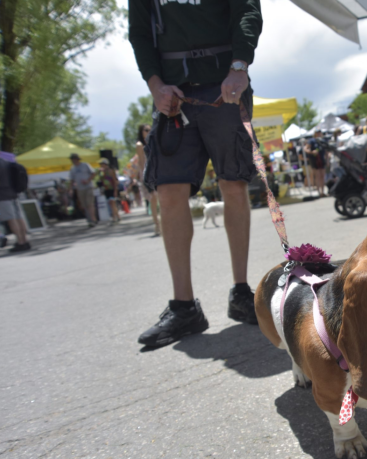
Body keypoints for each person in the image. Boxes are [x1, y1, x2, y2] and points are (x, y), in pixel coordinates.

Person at [129, 0, 263, 347]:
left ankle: (241, 292)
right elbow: (140, 33)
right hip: (173, 92)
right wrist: (155, 85)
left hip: (224, 82)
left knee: (232, 185)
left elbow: (246, 10)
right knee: (169, 192)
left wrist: (239, 65)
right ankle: (184, 307)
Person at [0, 142, 29, 252]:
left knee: (11, 219)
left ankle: (20, 242)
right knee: (19, 217)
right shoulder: (7, 162)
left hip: (2, 195)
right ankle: (25, 240)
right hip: (13, 193)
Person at [134, 124, 161, 236]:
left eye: (150, 129)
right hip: (147, 174)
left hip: (158, 172)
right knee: (153, 198)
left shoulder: (154, 141)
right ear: (141, 132)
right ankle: (157, 225)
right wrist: (144, 176)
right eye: (146, 130)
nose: (148, 131)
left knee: (162, 198)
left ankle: (163, 223)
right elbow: (141, 162)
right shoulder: (140, 144)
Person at [68, 153, 98, 227]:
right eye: (72, 159)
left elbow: (93, 173)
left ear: (77, 159)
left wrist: (88, 180)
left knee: (89, 203)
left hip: (88, 187)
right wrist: (70, 189)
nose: (73, 160)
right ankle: (89, 219)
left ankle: (93, 219)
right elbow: (71, 180)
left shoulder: (85, 165)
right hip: (80, 189)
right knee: (84, 205)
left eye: (74, 159)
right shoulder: (72, 168)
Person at [304, 130, 327, 196]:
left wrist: (327, 160)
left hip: (322, 160)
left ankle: (322, 192)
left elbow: (326, 151)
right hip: (315, 160)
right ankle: (319, 192)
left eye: (319, 132)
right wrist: (312, 152)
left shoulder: (322, 140)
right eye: (317, 132)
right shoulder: (312, 141)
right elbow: (305, 149)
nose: (318, 133)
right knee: (318, 176)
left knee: (322, 176)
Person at [97, 158, 120, 224]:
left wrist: (115, 191)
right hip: (106, 189)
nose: (102, 166)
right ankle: (117, 216)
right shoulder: (102, 173)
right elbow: (101, 181)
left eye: (103, 164)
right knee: (111, 203)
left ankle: (114, 217)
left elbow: (114, 181)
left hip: (112, 189)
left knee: (112, 203)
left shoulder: (111, 171)